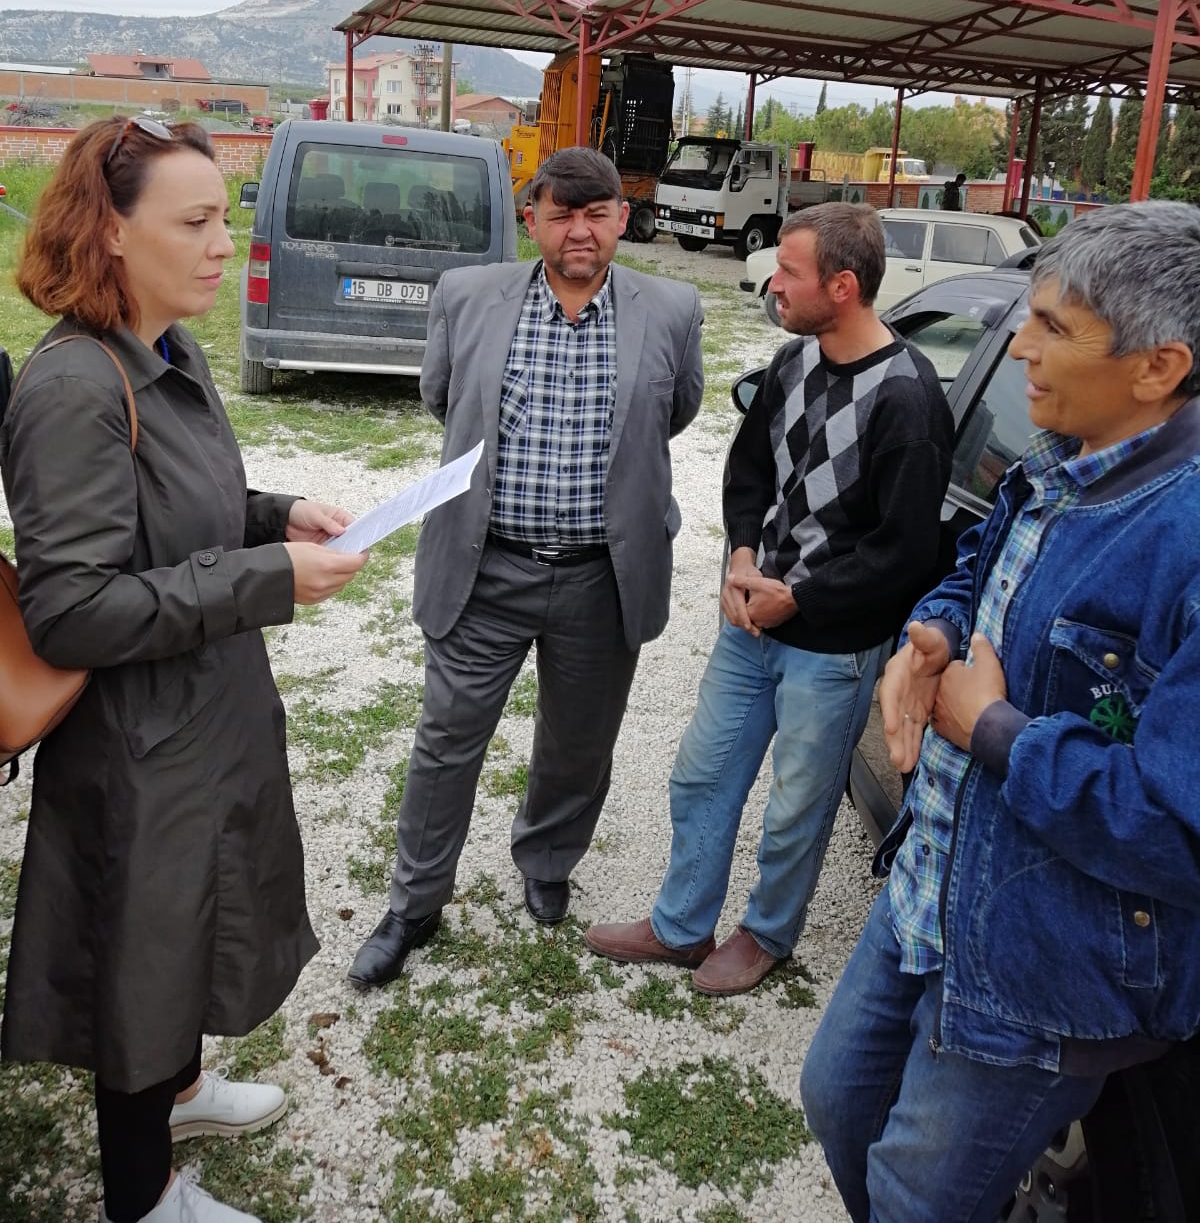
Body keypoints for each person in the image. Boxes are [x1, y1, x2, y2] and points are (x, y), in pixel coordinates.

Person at [800, 201, 1200, 1223]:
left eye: (1055, 328)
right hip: (933, 885)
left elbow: (1178, 832)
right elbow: (980, 567)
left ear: (1159, 365)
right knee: (837, 1098)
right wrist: (931, 633)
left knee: (912, 1193)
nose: (1019, 342)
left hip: (1046, 959)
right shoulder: (1061, 463)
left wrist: (992, 731)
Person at [0, 115, 368, 1223]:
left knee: (197, 924)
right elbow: (69, 608)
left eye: (227, 216)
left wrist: (274, 513)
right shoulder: (70, 387)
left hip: (204, 718)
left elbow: (180, 515)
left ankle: (184, 1088)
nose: (224, 244)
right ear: (110, 232)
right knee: (141, 961)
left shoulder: (171, 350)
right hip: (136, 746)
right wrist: (269, 578)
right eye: (196, 221)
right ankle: (143, 1195)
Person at [348, 146, 705, 989]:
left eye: (596, 213)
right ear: (532, 220)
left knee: (578, 745)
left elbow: (673, 413)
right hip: (485, 570)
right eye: (560, 213)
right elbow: (444, 398)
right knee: (445, 742)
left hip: (599, 574)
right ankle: (414, 902)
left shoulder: (674, 307)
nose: (578, 230)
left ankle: (547, 861)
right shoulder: (467, 297)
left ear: (623, 217)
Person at [586, 203, 954, 995]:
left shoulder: (908, 397)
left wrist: (803, 598)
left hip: (832, 648)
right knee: (700, 775)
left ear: (844, 285)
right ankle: (682, 928)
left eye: (790, 272)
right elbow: (748, 473)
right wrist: (743, 558)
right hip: (751, 625)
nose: (773, 283)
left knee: (795, 809)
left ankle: (766, 934)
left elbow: (905, 552)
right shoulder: (793, 362)